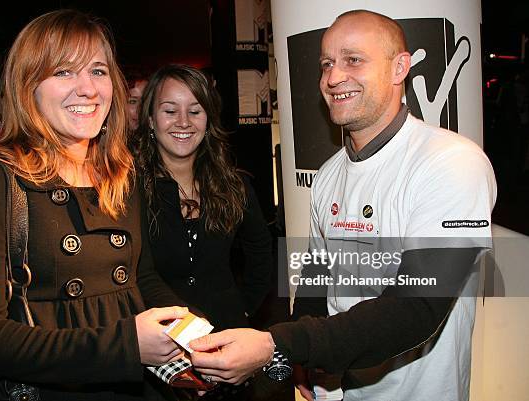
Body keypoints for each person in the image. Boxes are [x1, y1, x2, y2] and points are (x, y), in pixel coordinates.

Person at [188, 10, 496, 401]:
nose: (333, 78)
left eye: (354, 60)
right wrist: (296, 363)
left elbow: (417, 308)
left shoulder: (451, 162)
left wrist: (278, 344)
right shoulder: (329, 173)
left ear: (400, 67)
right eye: (326, 64)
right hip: (333, 390)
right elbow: (316, 278)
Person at [0, 9, 190, 400]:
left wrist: (191, 334)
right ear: (26, 86)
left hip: (128, 383)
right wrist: (123, 347)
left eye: (98, 71)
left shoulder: (120, 171)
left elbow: (142, 278)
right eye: (64, 72)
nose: (87, 89)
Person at [134, 64, 274, 399]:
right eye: (170, 111)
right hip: (161, 356)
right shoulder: (128, 188)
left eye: (195, 111)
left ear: (208, 119)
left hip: (229, 347)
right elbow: (140, 272)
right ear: (151, 120)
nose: (183, 122)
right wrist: (192, 335)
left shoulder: (234, 184)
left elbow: (261, 251)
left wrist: (242, 310)